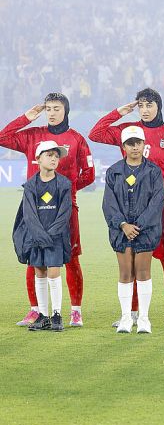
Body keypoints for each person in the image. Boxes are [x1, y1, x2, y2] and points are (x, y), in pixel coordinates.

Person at [89, 88, 164, 329]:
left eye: (149, 105)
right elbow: (96, 133)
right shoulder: (128, 132)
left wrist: (162, 183)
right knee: (133, 259)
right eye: (141, 106)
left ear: (159, 106)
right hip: (130, 208)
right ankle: (133, 313)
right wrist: (119, 112)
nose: (145, 110)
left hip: (163, 206)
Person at [0, 93, 95, 328]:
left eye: (56, 108)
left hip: (65, 208)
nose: (52, 113)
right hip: (33, 209)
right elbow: (2, 137)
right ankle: (36, 310)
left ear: (66, 111)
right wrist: (26, 118)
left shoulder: (76, 139)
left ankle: (75, 311)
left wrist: (68, 192)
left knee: (70, 258)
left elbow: (89, 174)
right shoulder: (33, 134)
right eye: (48, 108)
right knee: (34, 258)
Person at [102, 127, 164, 334]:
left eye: (138, 142)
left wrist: (138, 226)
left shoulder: (153, 171)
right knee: (125, 272)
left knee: (143, 272)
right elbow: (109, 204)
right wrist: (122, 224)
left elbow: (157, 201)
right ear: (124, 147)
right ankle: (126, 318)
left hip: (145, 231)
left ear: (144, 144)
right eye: (130, 143)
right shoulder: (114, 171)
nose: (135, 147)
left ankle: (144, 319)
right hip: (121, 231)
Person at [13, 141, 73, 332]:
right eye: (49, 155)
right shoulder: (31, 185)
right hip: (36, 237)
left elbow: (64, 213)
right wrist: (40, 235)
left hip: (56, 237)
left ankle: (57, 315)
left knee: (54, 273)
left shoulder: (63, 183)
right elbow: (29, 214)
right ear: (37, 159)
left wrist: (51, 234)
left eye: (56, 156)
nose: (54, 159)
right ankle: (43, 316)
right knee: (39, 273)